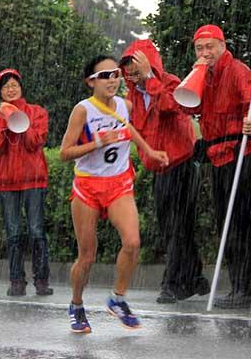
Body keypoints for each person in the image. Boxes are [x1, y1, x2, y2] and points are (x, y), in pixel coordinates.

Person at [59, 55, 169, 333]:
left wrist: (150, 151)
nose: (112, 80)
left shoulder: (124, 104)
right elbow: (64, 153)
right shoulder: (82, 110)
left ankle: (117, 299)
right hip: (87, 187)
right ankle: (76, 304)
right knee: (87, 257)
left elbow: (128, 128)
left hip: (119, 183)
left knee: (132, 242)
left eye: (115, 74)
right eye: (105, 75)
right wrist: (96, 142)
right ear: (91, 82)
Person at [181, 24, 251, 310]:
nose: (205, 54)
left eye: (210, 47)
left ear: (222, 46)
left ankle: (247, 289)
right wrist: (196, 75)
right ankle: (238, 287)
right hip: (218, 155)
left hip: (240, 152)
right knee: (225, 223)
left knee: (239, 223)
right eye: (199, 48)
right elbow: (188, 107)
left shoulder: (238, 70)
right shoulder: (203, 74)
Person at [120, 39, 209, 304]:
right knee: (172, 226)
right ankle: (195, 278)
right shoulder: (133, 96)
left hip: (181, 162)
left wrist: (150, 79)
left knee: (178, 225)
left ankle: (171, 283)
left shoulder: (171, 82)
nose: (131, 74)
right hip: (159, 167)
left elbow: (173, 106)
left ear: (149, 63)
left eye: (136, 67)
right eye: (128, 69)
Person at [0, 68, 53, 297]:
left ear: (21, 87)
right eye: (5, 86)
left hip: (34, 180)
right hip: (7, 182)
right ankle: (16, 280)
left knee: (37, 231)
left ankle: (41, 280)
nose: (11, 89)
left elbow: (36, 142)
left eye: (14, 85)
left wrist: (20, 119)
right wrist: (5, 121)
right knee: (13, 233)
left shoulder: (37, 112)